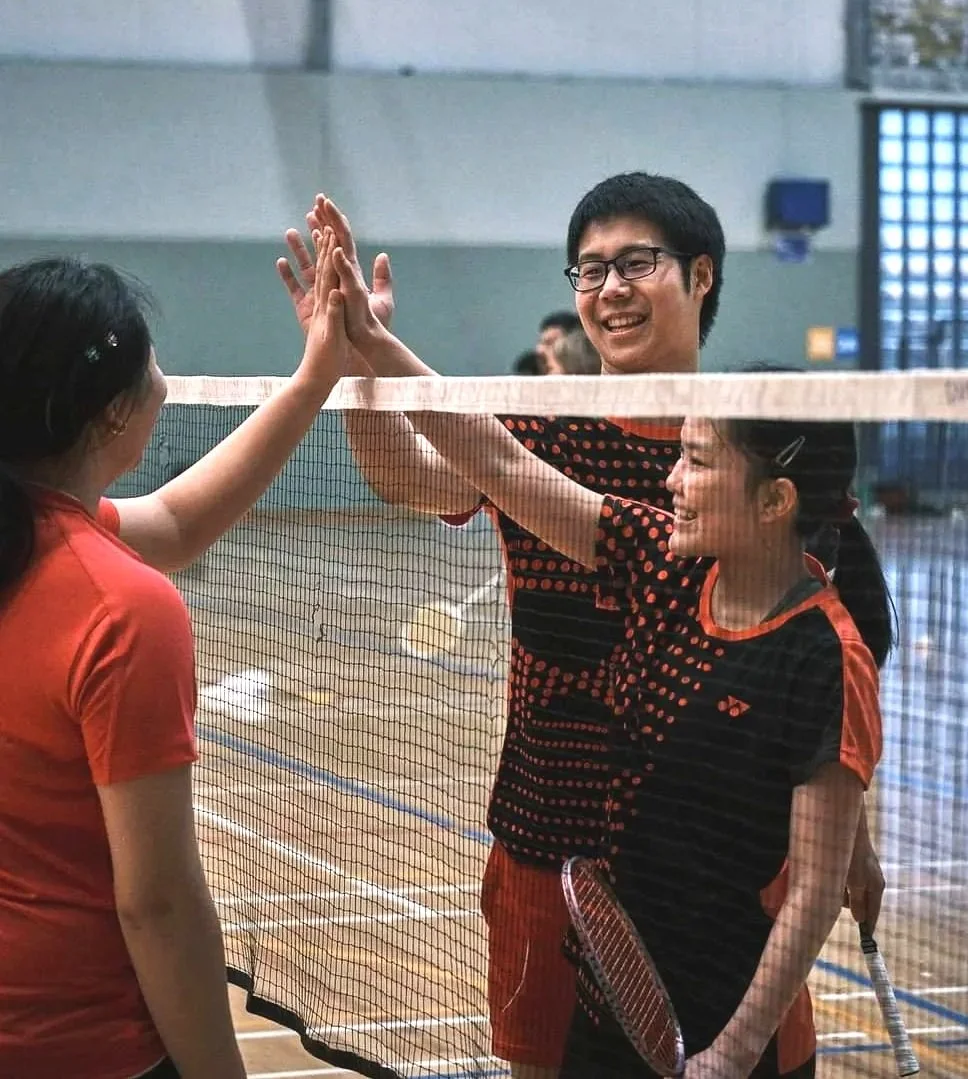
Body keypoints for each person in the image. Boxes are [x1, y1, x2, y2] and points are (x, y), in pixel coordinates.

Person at [278, 179, 884, 1079]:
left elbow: (819, 683)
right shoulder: (540, 431)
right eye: (590, 269)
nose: (610, 289)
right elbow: (418, 477)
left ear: (701, 274)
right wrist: (356, 363)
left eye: (636, 263)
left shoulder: (759, 444)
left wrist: (848, 838)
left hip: (717, 854)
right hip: (546, 827)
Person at [0, 228, 350, 1079]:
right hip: (84, 1043)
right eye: (152, 365)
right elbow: (155, 904)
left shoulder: (31, 538)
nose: (164, 379)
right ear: (113, 409)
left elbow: (179, 522)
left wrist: (315, 377)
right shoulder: (120, 609)